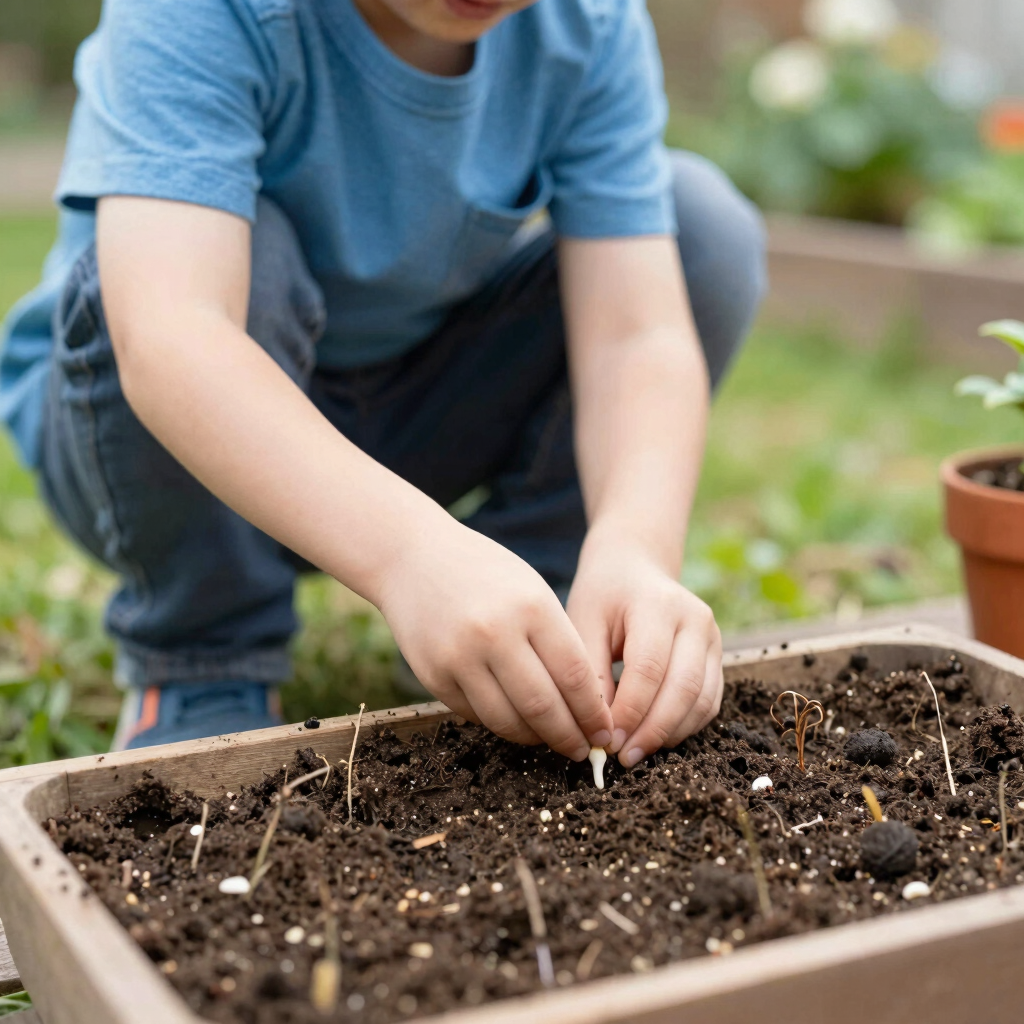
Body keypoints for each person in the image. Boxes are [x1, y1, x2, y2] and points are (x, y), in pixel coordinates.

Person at [0, 0, 766, 763]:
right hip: (158, 445)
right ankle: (205, 658)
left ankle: (530, 610)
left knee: (699, 233)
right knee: (215, 257)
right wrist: (410, 557)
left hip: (410, 410)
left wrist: (635, 548)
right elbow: (171, 336)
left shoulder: (589, 23)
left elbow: (637, 338)